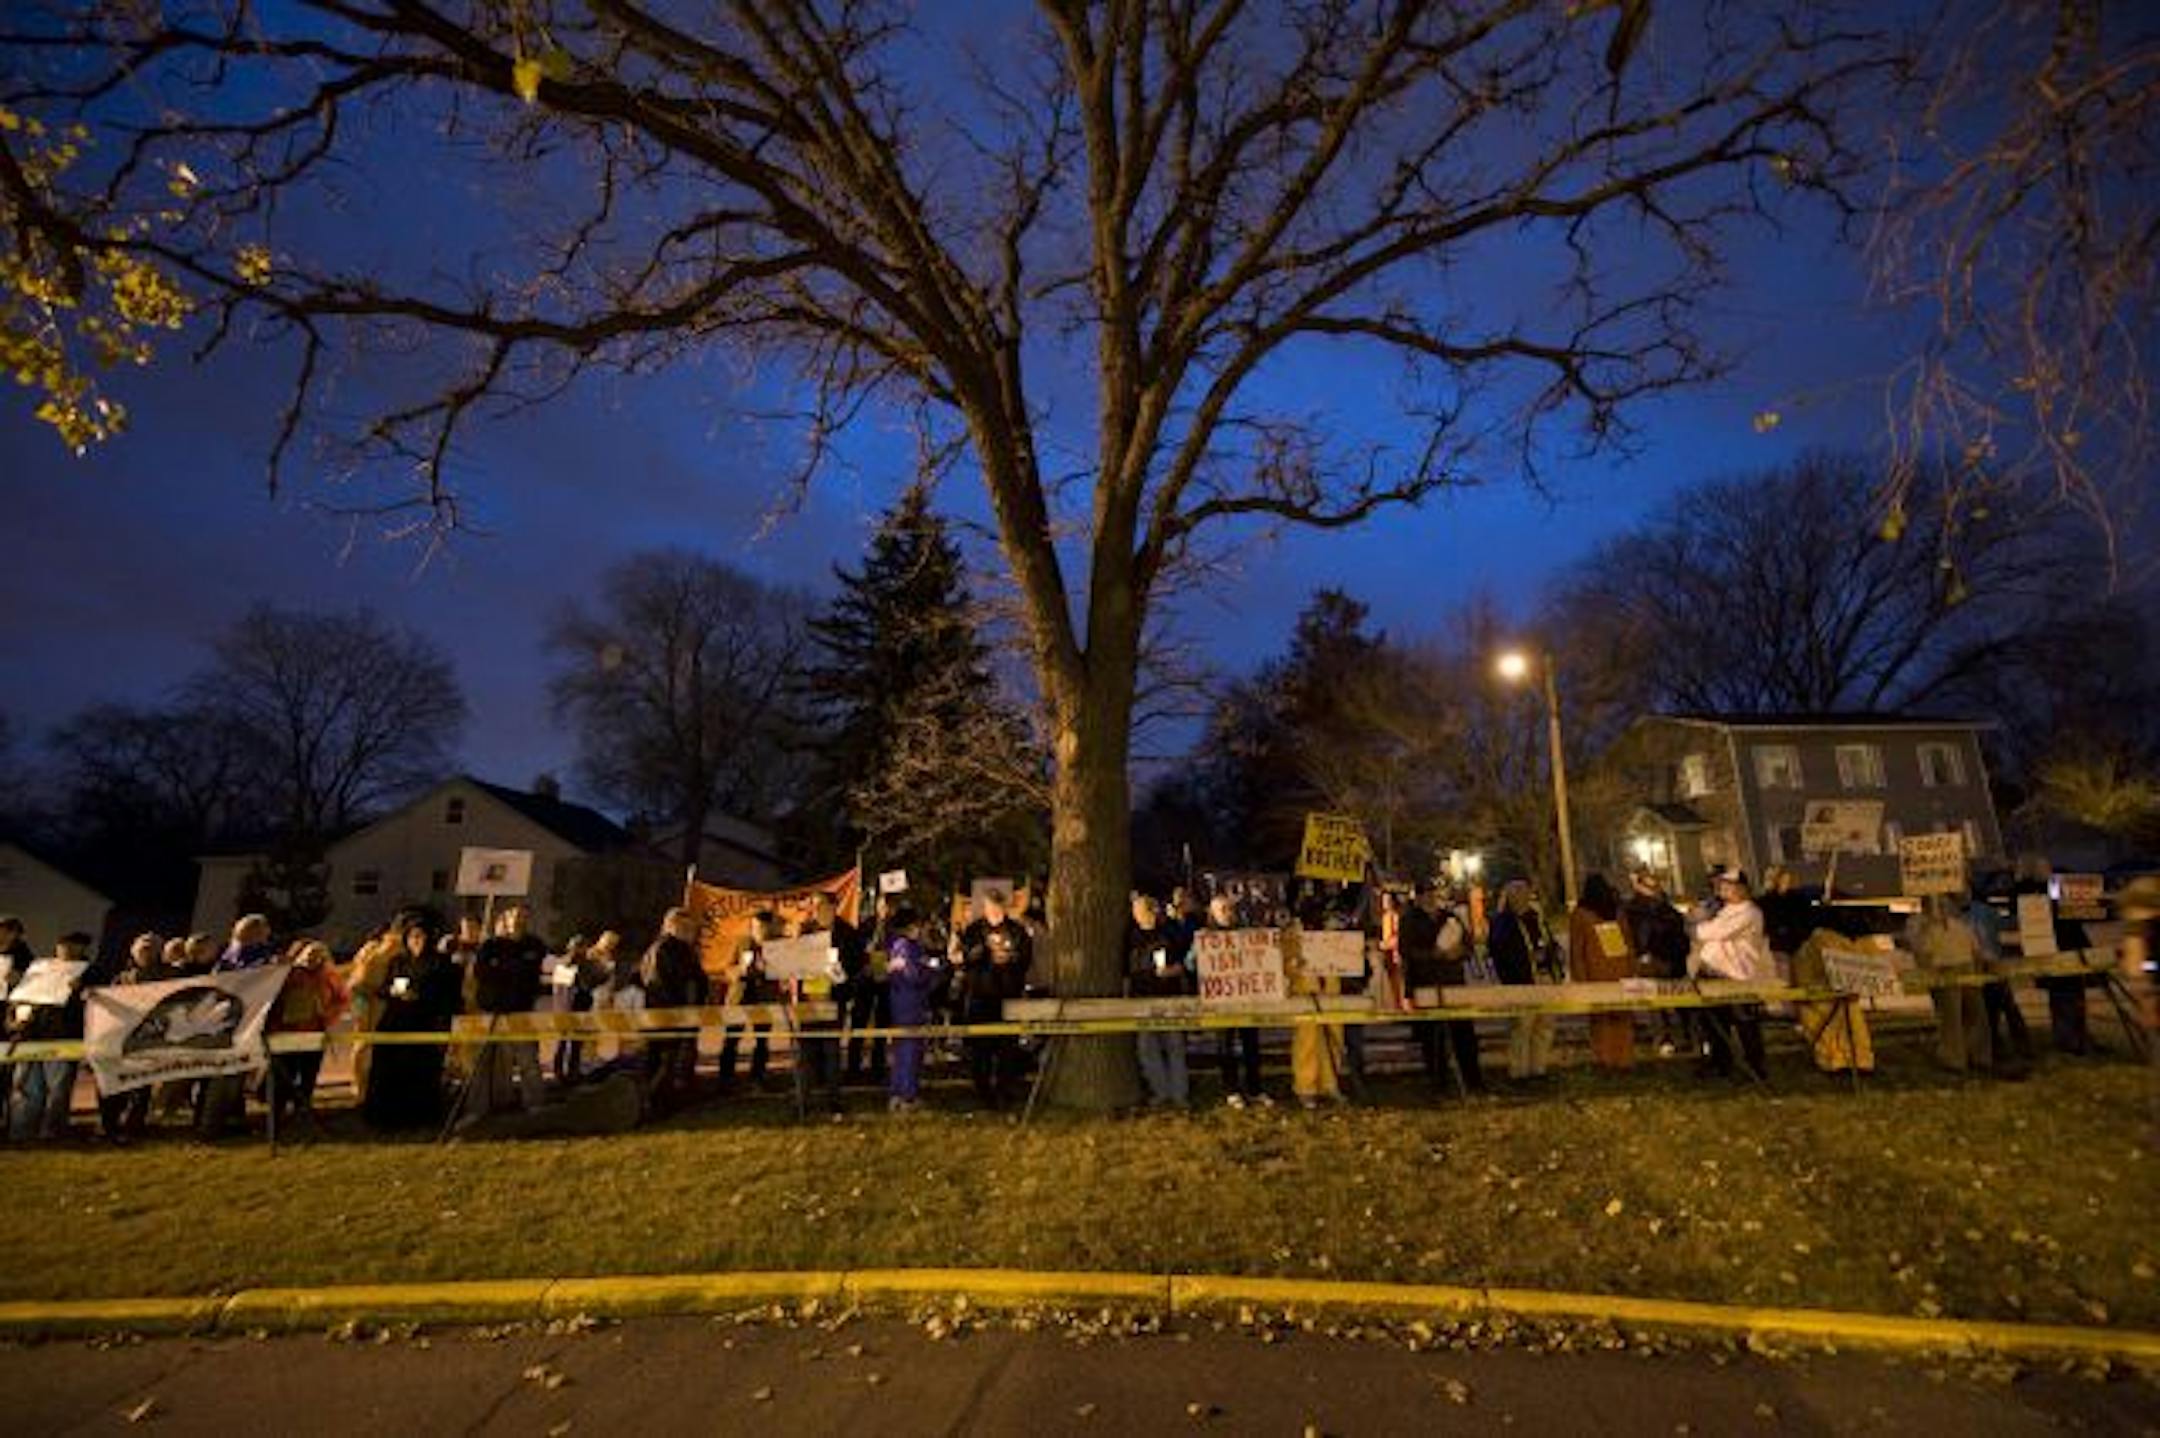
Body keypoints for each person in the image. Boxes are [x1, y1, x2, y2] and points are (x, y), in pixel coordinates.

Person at [364, 916, 462, 1130]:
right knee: (389, 1071)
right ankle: (387, 1117)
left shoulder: (441, 963)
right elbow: (382, 988)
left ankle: (420, 1117)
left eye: (422, 936)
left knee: (421, 1072)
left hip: (424, 1023)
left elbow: (450, 997)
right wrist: (391, 991)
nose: (417, 941)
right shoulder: (398, 962)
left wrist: (422, 996)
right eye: (413, 937)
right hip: (395, 1021)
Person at [8, 930, 94, 1142]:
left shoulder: (90, 972)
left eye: (73, 946)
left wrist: (82, 990)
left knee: (57, 1089)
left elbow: (96, 1000)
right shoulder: (40, 970)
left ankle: (52, 1132)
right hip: (32, 1035)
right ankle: (22, 1132)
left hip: (64, 1038)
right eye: (63, 945)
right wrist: (17, 992)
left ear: (83, 949)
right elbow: (23, 1000)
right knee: (28, 1088)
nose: (66, 949)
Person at [1687, 868, 1771, 1080]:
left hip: (1736, 975)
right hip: (1713, 972)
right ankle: (1720, 1064)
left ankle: (1755, 1067)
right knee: (1715, 1024)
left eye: (1729, 885)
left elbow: (1708, 932)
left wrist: (1697, 925)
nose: (1724, 889)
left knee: (1745, 1023)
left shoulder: (1748, 912)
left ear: (1742, 888)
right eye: (1722, 885)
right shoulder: (1726, 911)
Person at [957, 890, 1033, 1109]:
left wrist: (1011, 958)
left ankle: (1005, 1090)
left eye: (997, 907)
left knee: (1007, 1048)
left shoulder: (1017, 931)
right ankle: (983, 1092)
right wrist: (982, 952)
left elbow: (1026, 959)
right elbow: (966, 958)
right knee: (981, 1049)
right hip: (982, 996)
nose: (993, 911)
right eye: (990, 907)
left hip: (1008, 996)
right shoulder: (974, 930)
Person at [2013, 855, 2096, 1055]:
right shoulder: (2051, 892)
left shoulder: (2021, 895)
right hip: (2065, 948)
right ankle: (2073, 1040)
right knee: (2070, 996)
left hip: (2044, 950)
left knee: (2062, 997)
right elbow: (2071, 921)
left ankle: (2072, 1039)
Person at [1908, 892, 1994, 1074]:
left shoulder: (1960, 923)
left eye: (1944, 903)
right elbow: (1920, 951)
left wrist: (1980, 961)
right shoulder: (1919, 924)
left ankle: (1979, 1057)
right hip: (1943, 972)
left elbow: (1974, 946)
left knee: (1977, 1015)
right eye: (1938, 903)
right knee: (1951, 1018)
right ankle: (1954, 1060)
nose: (1942, 907)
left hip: (1967, 968)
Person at [271, 938, 350, 1130]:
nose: (314, 958)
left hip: (315, 1033)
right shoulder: (288, 975)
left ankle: (302, 1112)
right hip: (287, 1034)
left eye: (319, 954)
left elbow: (342, 999)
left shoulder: (330, 976)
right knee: (284, 1076)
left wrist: (328, 1016)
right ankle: (276, 1115)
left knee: (308, 1075)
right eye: (310, 954)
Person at [95, 932, 165, 1142]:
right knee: (110, 1085)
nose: (146, 953)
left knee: (140, 1086)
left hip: (150, 1039)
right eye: (142, 949)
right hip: (121, 1039)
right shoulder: (121, 978)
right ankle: (109, 1127)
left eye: (151, 949)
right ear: (133, 952)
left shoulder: (169, 975)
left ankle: (133, 1128)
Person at [1126, 894, 1191, 1108]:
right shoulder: (1130, 937)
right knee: (1147, 1049)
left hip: (1168, 997)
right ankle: (1160, 1092)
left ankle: (1179, 1094)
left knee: (1174, 1046)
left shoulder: (1169, 934)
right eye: (1135, 910)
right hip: (1142, 999)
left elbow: (1186, 964)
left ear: (1153, 910)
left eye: (1142, 910)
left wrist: (1172, 971)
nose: (1138, 914)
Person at [644, 906, 712, 1113]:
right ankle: (658, 1102)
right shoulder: (667, 950)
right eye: (689, 927)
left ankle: (669, 1098)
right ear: (676, 926)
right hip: (671, 1015)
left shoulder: (676, 949)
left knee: (671, 1060)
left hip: (676, 1014)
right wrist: (684, 1009)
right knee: (667, 1060)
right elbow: (667, 983)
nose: (693, 932)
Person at [794, 894, 856, 1116]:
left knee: (832, 1052)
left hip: (833, 999)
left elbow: (854, 965)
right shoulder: (806, 930)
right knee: (806, 1053)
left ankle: (834, 1101)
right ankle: (803, 1102)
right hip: (809, 1000)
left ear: (833, 907)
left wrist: (837, 971)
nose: (817, 909)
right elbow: (796, 960)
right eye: (814, 905)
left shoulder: (847, 932)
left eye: (822, 905)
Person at [1204, 893, 1268, 1108]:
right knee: (1225, 1047)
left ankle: (1255, 1089)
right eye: (1221, 909)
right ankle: (1231, 1090)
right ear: (1212, 913)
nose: (1227, 913)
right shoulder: (1206, 938)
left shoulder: (1245, 934)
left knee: (1251, 1045)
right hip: (1221, 1002)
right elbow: (1192, 965)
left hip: (1246, 998)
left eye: (1229, 909)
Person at [1489, 880, 1555, 1082]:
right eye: (1518, 893)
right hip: (1520, 981)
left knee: (1544, 1026)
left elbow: (1549, 942)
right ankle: (1519, 1071)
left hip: (1543, 977)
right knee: (1521, 1028)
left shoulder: (1536, 919)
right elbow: (1499, 952)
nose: (1523, 897)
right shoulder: (1503, 922)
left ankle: (1539, 1068)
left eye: (1526, 893)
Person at [1622, 871, 1692, 1057]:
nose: (1652, 888)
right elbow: (1635, 935)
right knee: (1657, 1003)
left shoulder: (1663, 907)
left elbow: (1677, 930)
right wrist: (1641, 954)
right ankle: (1666, 1040)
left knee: (1678, 1001)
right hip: (1653, 960)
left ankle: (1683, 1037)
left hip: (1669, 959)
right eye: (1648, 884)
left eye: (1654, 884)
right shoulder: (1635, 908)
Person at [1571, 874, 1635, 1070]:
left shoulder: (1581, 914)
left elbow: (1577, 949)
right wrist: (1632, 968)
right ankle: (1623, 1058)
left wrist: (1580, 977)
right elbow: (1628, 942)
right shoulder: (1617, 911)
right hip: (1620, 971)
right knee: (1622, 1017)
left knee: (1601, 1020)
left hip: (1595, 973)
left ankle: (1605, 1059)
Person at [1966, 880, 2032, 1068]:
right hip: (1980, 968)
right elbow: (2009, 923)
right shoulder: (1965, 914)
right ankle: (2001, 1046)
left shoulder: (1980, 912)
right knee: (1993, 1010)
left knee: (2003, 1007)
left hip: (1991, 966)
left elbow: (2008, 924)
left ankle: (2015, 1046)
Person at [884, 907, 940, 1113]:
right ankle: (907, 1097)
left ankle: (898, 1094)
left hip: (901, 1004)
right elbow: (915, 975)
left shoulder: (895, 946)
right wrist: (934, 971)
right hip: (912, 1005)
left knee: (902, 1052)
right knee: (910, 1052)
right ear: (912, 926)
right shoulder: (908, 947)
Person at [718, 910, 776, 1091]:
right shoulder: (742, 943)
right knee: (731, 1039)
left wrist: (771, 969)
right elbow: (727, 968)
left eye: (764, 927)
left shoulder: (777, 945)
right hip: (740, 998)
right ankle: (726, 1079)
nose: (760, 931)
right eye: (757, 927)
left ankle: (757, 1078)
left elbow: (784, 971)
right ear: (751, 927)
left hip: (764, 999)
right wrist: (739, 971)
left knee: (762, 1041)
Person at [847, 894, 895, 1084]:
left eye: (889, 907)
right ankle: (853, 1069)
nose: (886, 910)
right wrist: (866, 955)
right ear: (877, 906)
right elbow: (857, 951)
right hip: (865, 982)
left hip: (885, 982)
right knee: (858, 1024)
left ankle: (878, 1069)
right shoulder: (866, 925)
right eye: (883, 906)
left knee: (881, 1028)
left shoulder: (895, 928)